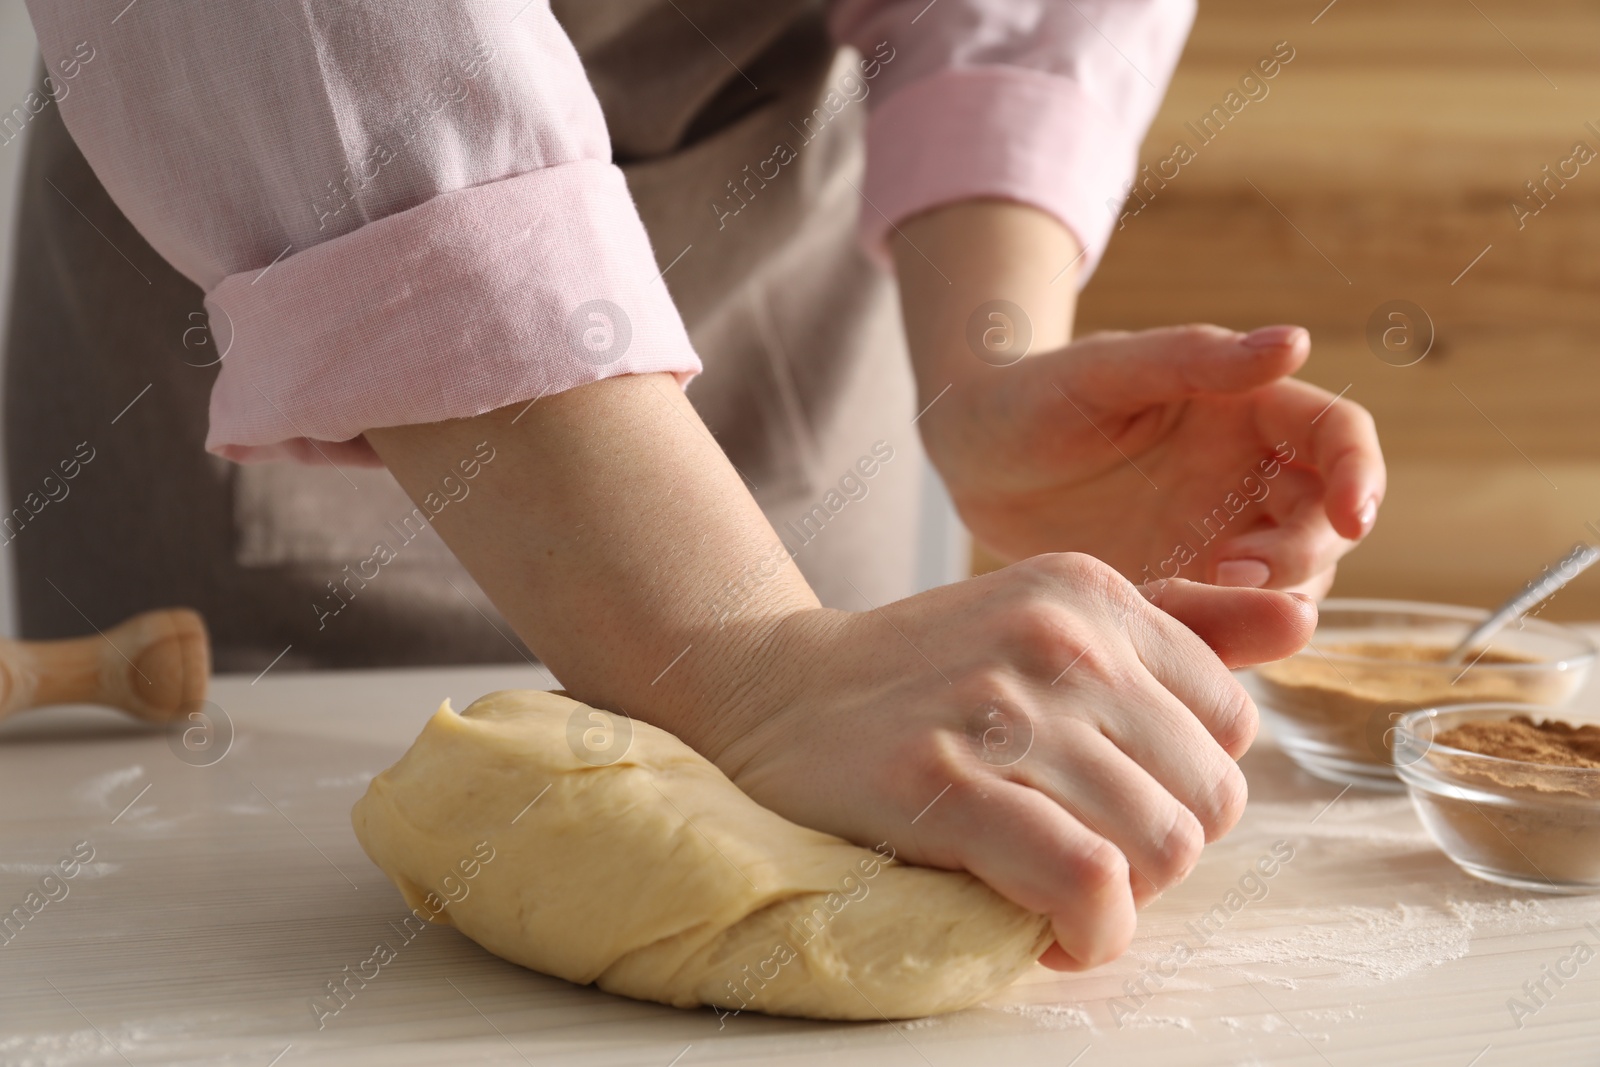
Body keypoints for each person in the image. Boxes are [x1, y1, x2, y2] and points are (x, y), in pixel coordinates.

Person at [9, 1, 1383, 971]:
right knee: (205, 863)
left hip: (765, 207)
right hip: (272, 195)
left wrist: (987, 363)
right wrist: (741, 659)